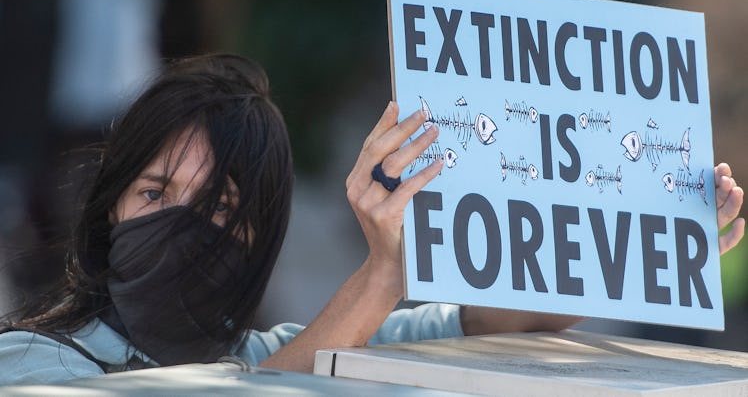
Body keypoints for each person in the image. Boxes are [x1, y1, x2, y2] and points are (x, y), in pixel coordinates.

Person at [0, 54, 743, 385]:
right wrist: (382, 271)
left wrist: (651, 249)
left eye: (222, 208)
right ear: (110, 214)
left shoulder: (270, 353)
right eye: (156, 194)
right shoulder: (34, 366)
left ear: (261, 240)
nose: (181, 225)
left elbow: (498, 321)